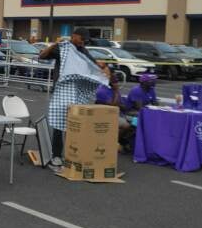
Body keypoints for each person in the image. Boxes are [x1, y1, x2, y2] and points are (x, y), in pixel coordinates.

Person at [40, 27, 110, 171]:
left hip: (76, 91)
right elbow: (42, 56)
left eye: (85, 40)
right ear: (74, 36)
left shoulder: (83, 50)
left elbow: (93, 65)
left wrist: (103, 69)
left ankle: (73, 154)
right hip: (62, 89)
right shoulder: (63, 48)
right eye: (82, 39)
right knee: (59, 124)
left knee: (75, 124)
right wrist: (55, 44)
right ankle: (56, 156)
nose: (83, 42)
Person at [95, 75, 134, 153]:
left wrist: (123, 106)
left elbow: (120, 104)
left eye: (117, 81)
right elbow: (112, 106)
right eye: (115, 82)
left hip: (118, 114)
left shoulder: (115, 90)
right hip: (107, 115)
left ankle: (121, 141)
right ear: (109, 83)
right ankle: (113, 142)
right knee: (126, 126)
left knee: (135, 123)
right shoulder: (102, 91)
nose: (117, 84)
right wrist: (116, 92)